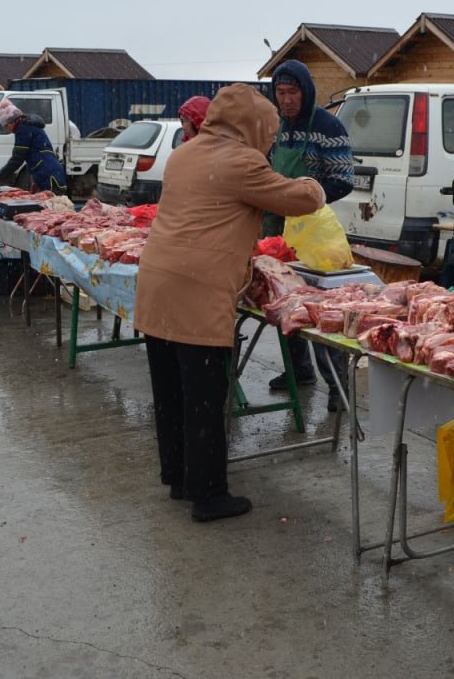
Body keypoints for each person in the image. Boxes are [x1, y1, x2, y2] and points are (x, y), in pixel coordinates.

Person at [134, 84, 325, 522]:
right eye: (268, 130)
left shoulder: (185, 153)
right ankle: (210, 495)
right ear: (251, 126)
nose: (270, 139)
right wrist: (314, 181)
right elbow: (299, 200)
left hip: (157, 281)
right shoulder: (241, 161)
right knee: (204, 394)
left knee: (170, 391)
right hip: (197, 290)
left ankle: (180, 479)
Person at [262, 60, 355, 412]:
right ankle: (298, 371)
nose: (285, 100)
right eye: (280, 93)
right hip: (276, 228)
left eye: (292, 93)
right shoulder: (278, 126)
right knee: (282, 303)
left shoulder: (328, 126)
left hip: (314, 230)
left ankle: (337, 386)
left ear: (306, 91)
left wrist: (306, 196)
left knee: (316, 311)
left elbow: (344, 178)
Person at [0, 98, 66, 194]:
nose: (8, 130)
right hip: (51, 173)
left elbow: (17, 159)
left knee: (52, 206)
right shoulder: (29, 126)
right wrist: (37, 182)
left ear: (12, 121)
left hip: (49, 178)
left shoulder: (23, 129)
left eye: (6, 126)